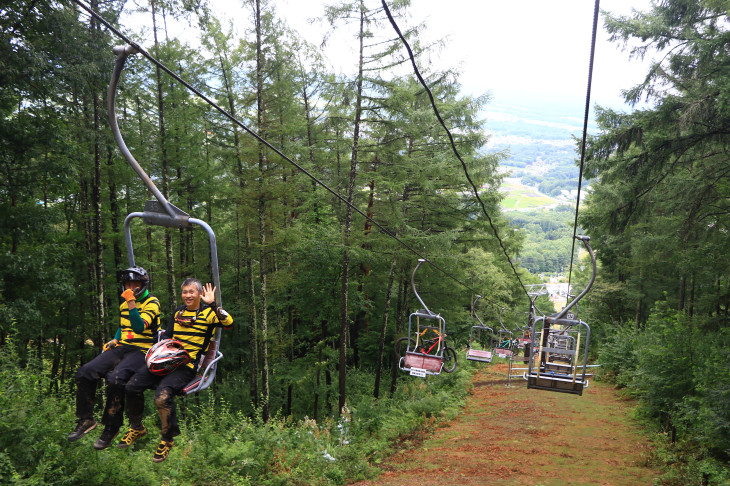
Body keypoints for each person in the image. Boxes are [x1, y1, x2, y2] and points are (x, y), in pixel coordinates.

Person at [124, 278, 233, 462]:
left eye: (192, 292)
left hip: (186, 366)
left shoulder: (208, 314)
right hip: (166, 361)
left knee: (162, 397)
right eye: (184, 292)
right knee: (131, 386)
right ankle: (136, 427)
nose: (188, 295)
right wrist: (160, 350)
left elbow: (229, 322)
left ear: (199, 294)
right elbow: (167, 336)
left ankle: (167, 439)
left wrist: (213, 304)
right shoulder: (178, 313)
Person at [68, 266, 160, 450]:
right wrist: (116, 338)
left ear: (142, 285)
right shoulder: (124, 303)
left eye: (135, 284)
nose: (131, 287)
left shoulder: (152, 302)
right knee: (85, 372)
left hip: (141, 350)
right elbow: (124, 325)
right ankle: (86, 419)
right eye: (128, 284)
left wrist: (132, 303)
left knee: (115, 379)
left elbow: (139, 327)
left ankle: (111, 426)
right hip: (122, 347)